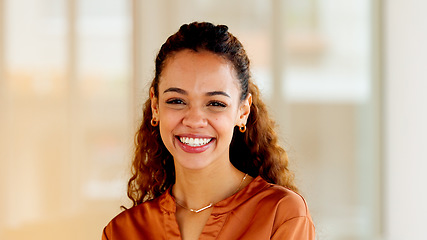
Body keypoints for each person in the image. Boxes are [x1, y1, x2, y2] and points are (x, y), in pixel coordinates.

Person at [102, 21, 315, 240]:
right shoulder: (123, 231)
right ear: (155, 107)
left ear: (243, 111)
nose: (194, 120)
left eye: (215, 103)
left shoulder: (281, 213)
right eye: (176, 100)